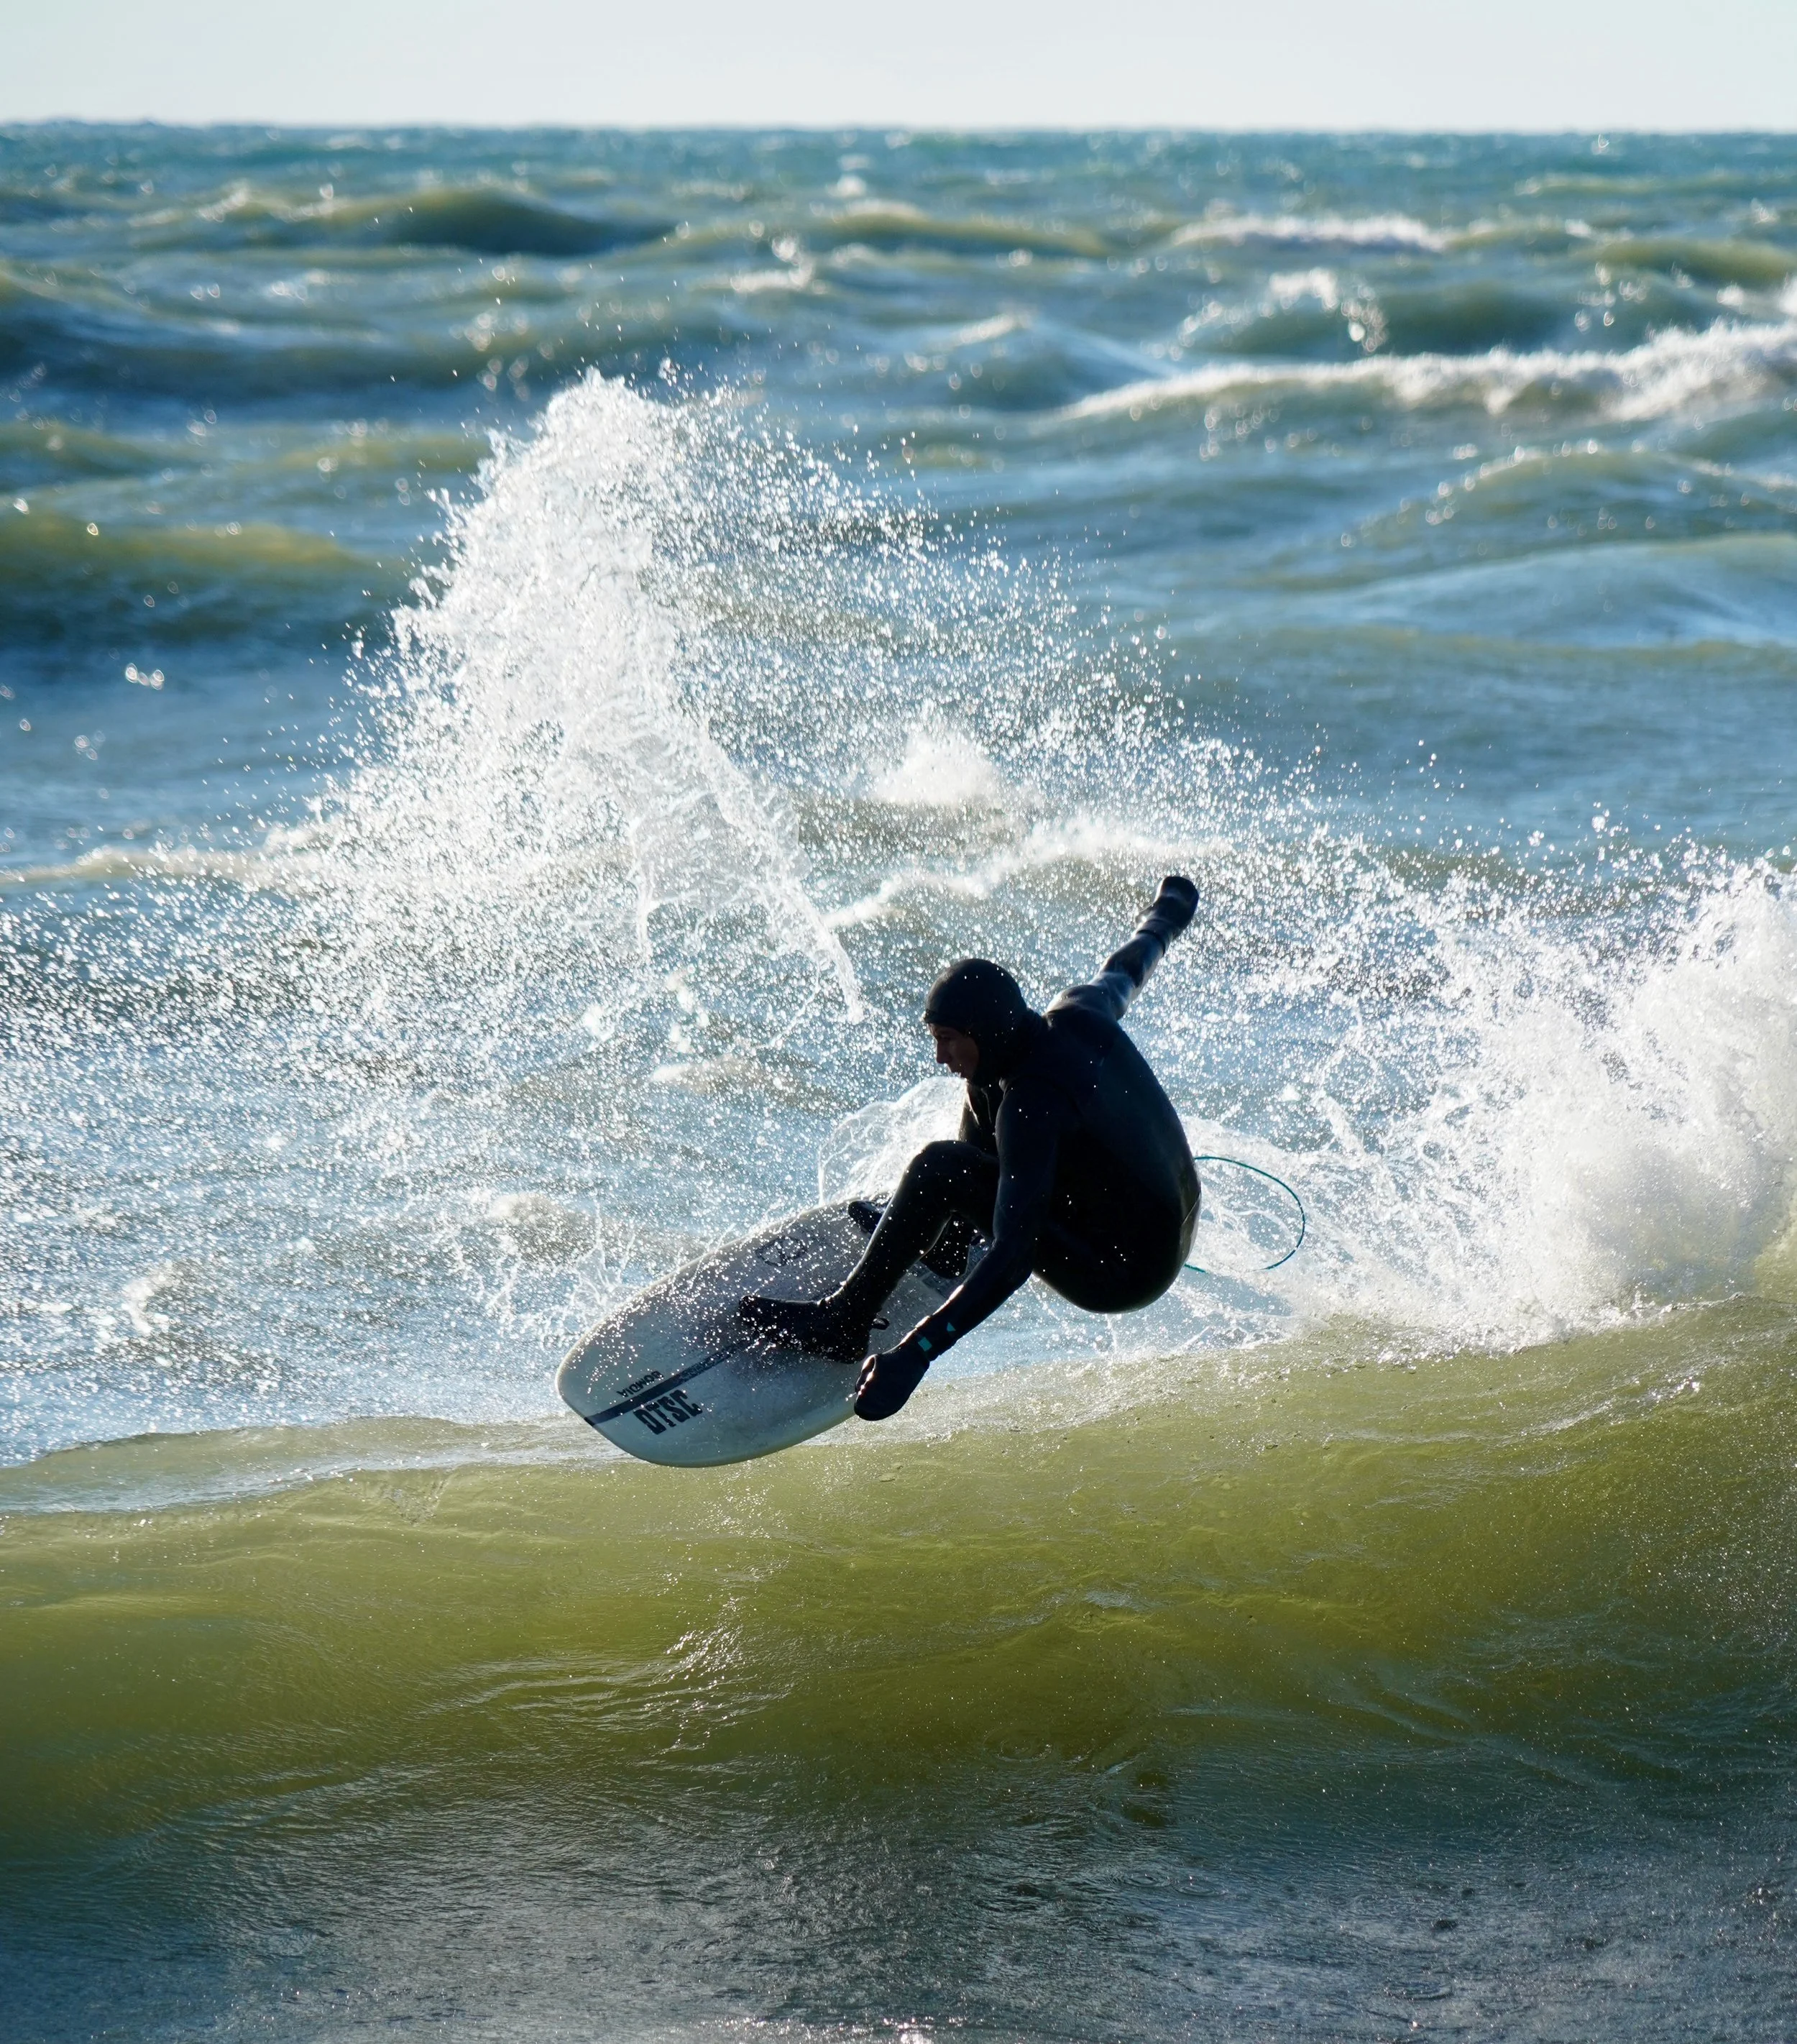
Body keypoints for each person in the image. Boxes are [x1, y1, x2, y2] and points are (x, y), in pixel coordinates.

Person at [741, 875, 1202, 1420]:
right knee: (983, 1087)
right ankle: (951, 1238)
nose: (939, 1056)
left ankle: (843, 1323)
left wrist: (916, 1353)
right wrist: (1167, 915)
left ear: (982, 1029)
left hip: (1124, 1269)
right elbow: (1128, 967)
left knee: (943, 1167)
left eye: (947, 1040)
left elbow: (1013, 1257)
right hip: (1162, 1213)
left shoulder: (1031, 1106)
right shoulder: (1078, 1010)